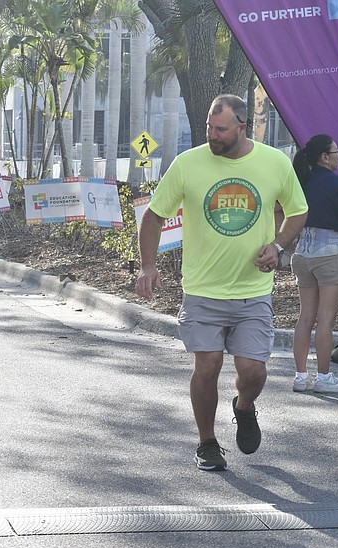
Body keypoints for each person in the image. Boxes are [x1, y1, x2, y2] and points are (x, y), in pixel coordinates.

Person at [135, 94, 308, 471]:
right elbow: (154, 215)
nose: (212, 135)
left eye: (221, 129)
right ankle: (207, 443)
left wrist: (278, 245)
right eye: (210, 128)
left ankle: (244, 407)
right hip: (202, 291)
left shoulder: (274, 162)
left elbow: (298, 210)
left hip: (252, 291)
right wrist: (148, 266)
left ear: (242, 128)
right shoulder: (188, 163)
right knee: (208, 365)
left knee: (253, 371)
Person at [290, 134, 338, 394]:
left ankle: (300, 375)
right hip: (330, 253)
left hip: (302, 253)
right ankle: (323, 377)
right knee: (325, 320)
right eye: (336, 151)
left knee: (305, 316)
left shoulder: (301, 182)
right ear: (324, 157)